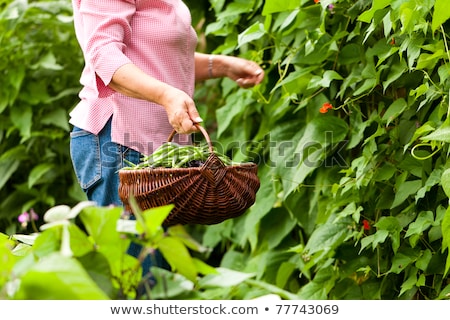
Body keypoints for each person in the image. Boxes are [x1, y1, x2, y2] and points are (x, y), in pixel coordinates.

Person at [69, 0, 264, 283]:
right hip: (120, 144)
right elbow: (104, 56)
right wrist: (166, 96)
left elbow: (158, 58)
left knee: (160, 280)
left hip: (157, 155)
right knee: (140, 283)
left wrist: (221, 65)